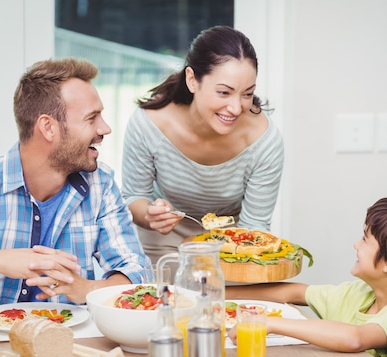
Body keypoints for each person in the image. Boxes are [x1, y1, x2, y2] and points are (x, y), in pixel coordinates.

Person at [0, 58, 151, 320]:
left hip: (69, 346)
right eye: (92, 118)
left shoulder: (101, 186)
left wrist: (87, 289)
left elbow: (137, 275)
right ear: (48, 127)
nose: (105, 128)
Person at [226, 196, 387, 357]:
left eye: (365, 240)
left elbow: (355, 338)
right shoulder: (359, 294)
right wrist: (221, 293)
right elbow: (293, 292)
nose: (356, 244)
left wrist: (268, 322)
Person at [121, 25, 284, 265]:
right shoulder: (149, 125)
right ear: (192, 80)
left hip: (233, 243)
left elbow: (255, 226)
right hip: (163, 242)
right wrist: (150, 214)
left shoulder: (264, 142)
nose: (236, 108)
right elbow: (134, 196)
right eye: (224, 93)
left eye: (247, 94)